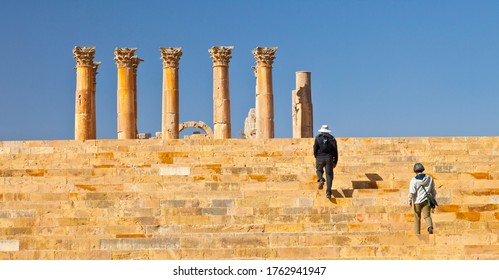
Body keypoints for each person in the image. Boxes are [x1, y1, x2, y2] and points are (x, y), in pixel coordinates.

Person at [408, 163, 437, 234]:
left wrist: (409, 200)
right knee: (427, 216)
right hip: (427, 200)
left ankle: (417, 233)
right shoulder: (429, 178)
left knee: (417, 217)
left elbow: (412, 191)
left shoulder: (413, 180)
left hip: (417, 201)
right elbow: (433, 190)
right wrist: (433, 197)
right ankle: (430, 226)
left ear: (415, 171)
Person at [313, 124, 338, 198]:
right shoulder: (332, 138)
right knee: (329, 175)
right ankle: (328, 192)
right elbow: (335, 151)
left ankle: (320, 179)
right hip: (329, 158)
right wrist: (335, 161)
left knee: (319, 170)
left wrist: (316, 156)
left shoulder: (318, 138)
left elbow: (315, 148)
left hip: (319, 157)